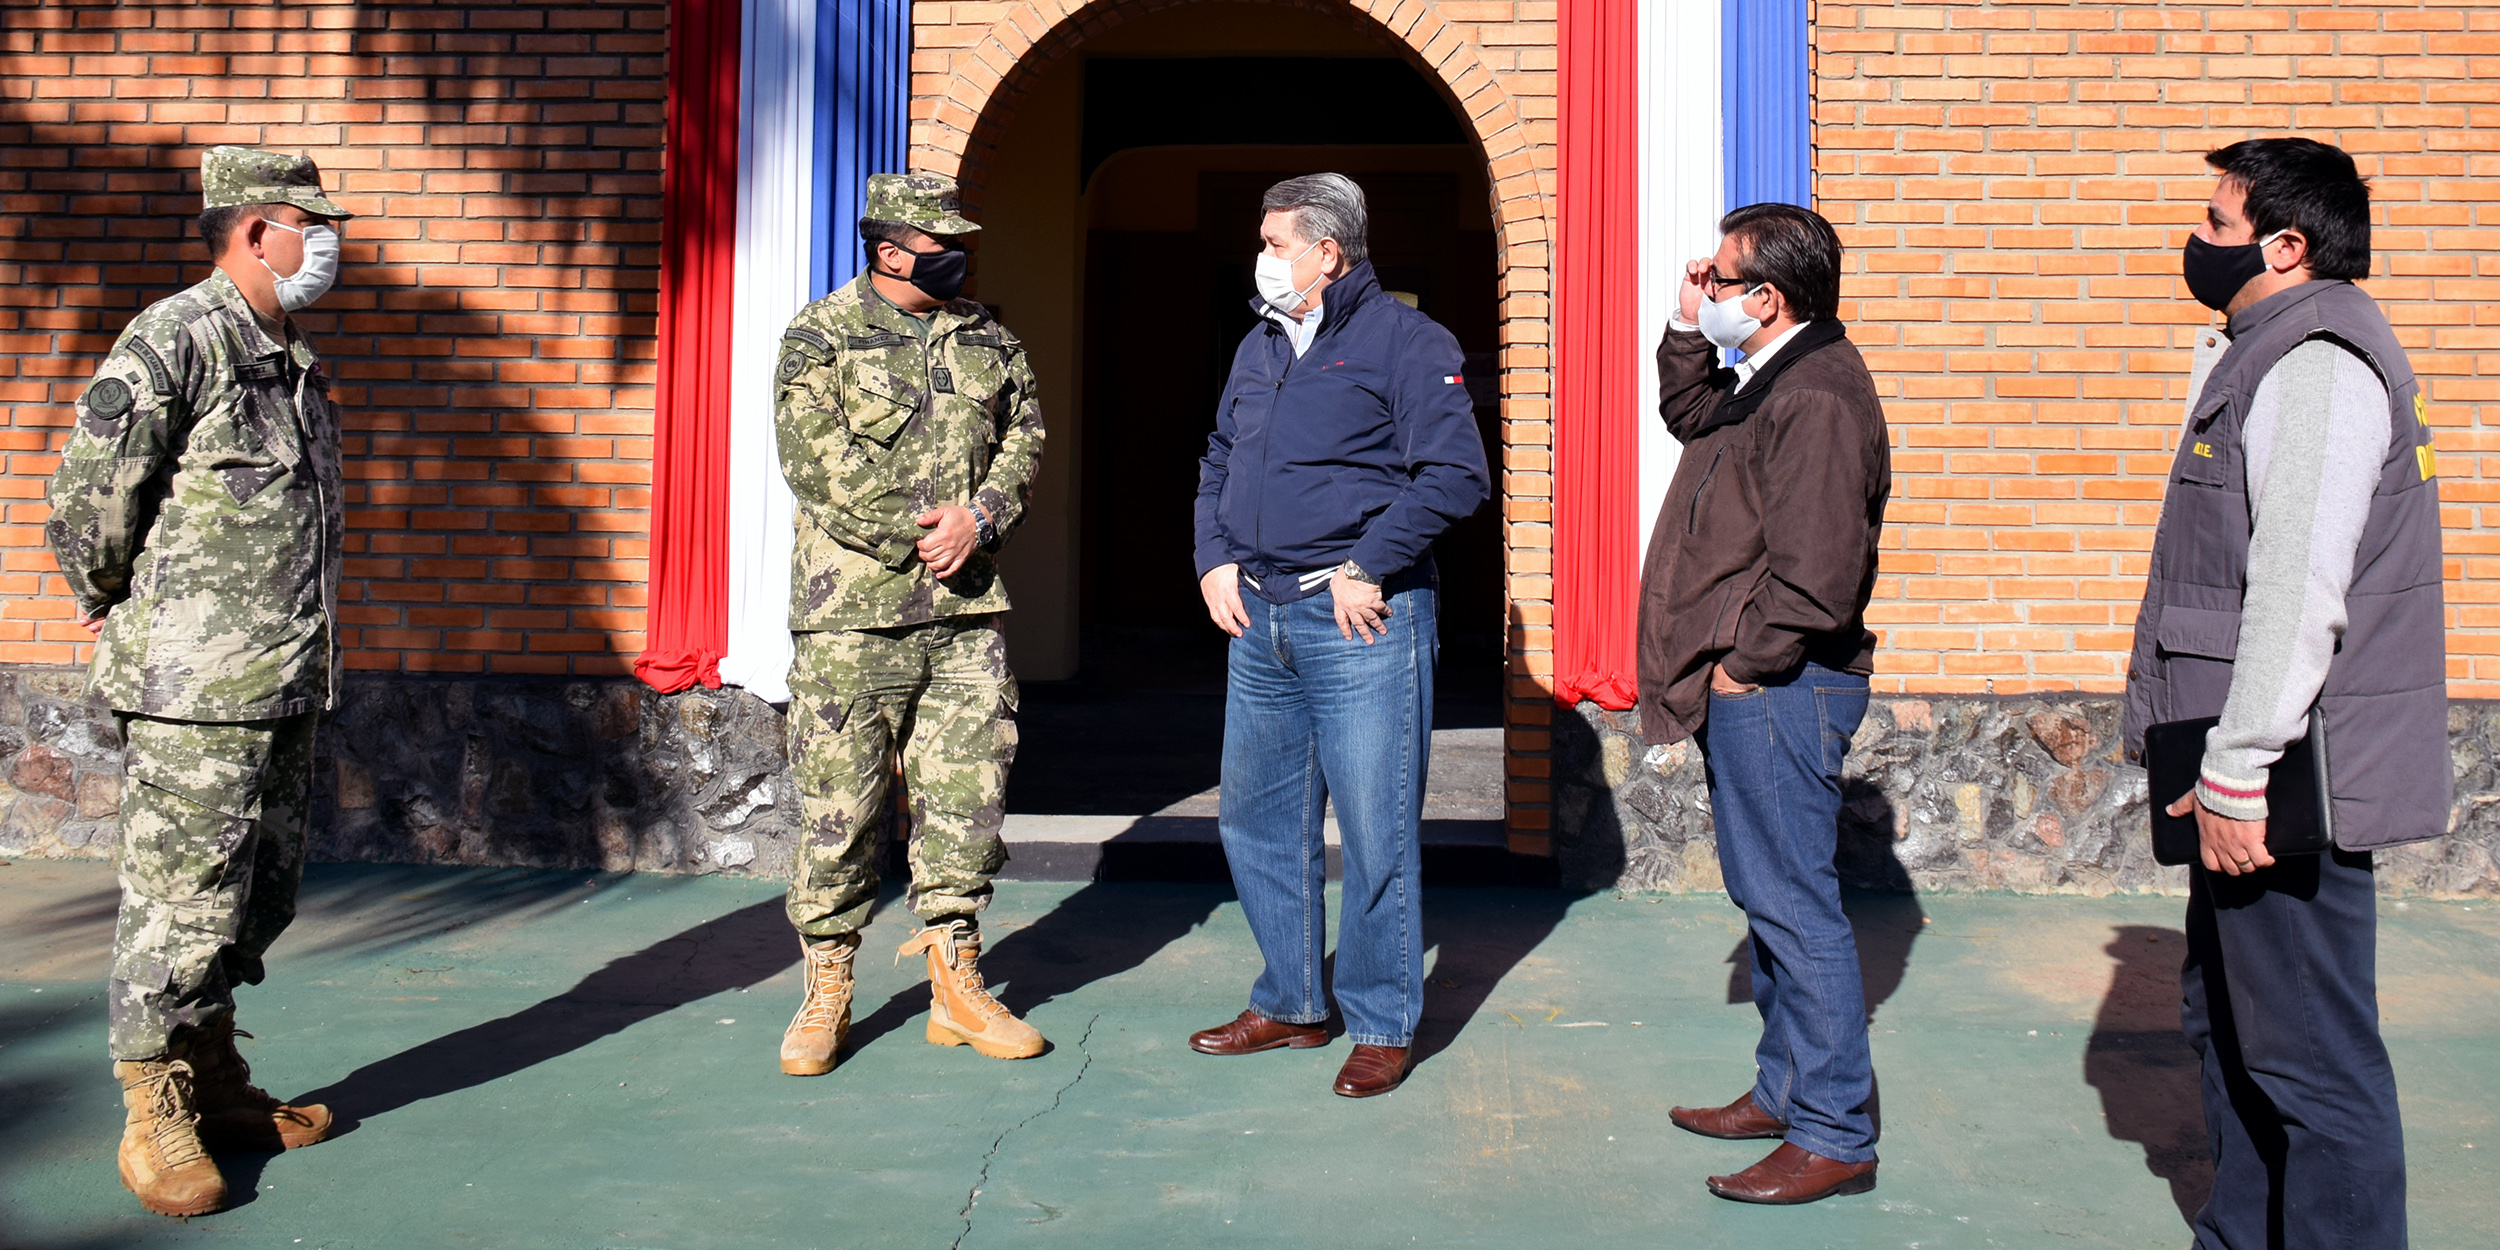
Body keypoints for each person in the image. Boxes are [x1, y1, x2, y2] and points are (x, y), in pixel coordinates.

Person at [2124, 137, 2444, 1249]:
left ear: (2285, 244)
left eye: (2216, 224)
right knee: (2229, 1028)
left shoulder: (2313, 366)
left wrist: (2235, 767)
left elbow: (2297, 588)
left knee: (2311, 1058)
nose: (2198, 242)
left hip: (2279, 779)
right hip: (2249, 765)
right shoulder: (2256, 350)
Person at [46, 146, 355, 1216]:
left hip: (283, 681)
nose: (328, 243)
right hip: (193, 688)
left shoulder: (292, 356)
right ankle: (152, 1107)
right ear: (254, 230)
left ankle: (213, 1070)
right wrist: (106, 587)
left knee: (256, 896)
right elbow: (90, 495)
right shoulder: (177, 337)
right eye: (308, 223)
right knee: (180, 902)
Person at [1185, 173, 1490, 1098]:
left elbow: (1455, 475)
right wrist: (1213, 557)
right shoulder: (1259, 343)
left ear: (1329, 251)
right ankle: (1288, 1002)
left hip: (1363, 619)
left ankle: (1382, 1020)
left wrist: (1368, 564)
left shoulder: (1407, 339)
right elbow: (1219, 458)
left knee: (1375, 829)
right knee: (1257, 821)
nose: (1264, 257)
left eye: (1277, 242)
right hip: (1259, 617)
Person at [1639, 203, 1890, 1204]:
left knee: (1794, 909)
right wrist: (1684, 319)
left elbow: (1819, 572)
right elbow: (1689, 415)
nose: (1712, 284)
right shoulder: (1771, 377)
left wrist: (1746, 663)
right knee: (1770, 899)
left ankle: (1832, 1131)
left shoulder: (1818, 394)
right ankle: (1785, 1089)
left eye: (1724, 276)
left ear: (1768, 296)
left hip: (1782, 687)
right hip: (1759, 685)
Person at [771, 173, 1047, 1075]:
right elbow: (816, 461)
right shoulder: (821, 336)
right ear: (891, 251)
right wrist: (919, 533)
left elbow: (1026, 435)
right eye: (941, 244)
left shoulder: (989, 338)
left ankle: (957, 985)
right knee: (838, 811)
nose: (959, 257)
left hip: (968, 612)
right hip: (851, 614)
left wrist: (983, 518)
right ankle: (828, 989)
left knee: (966, 801)